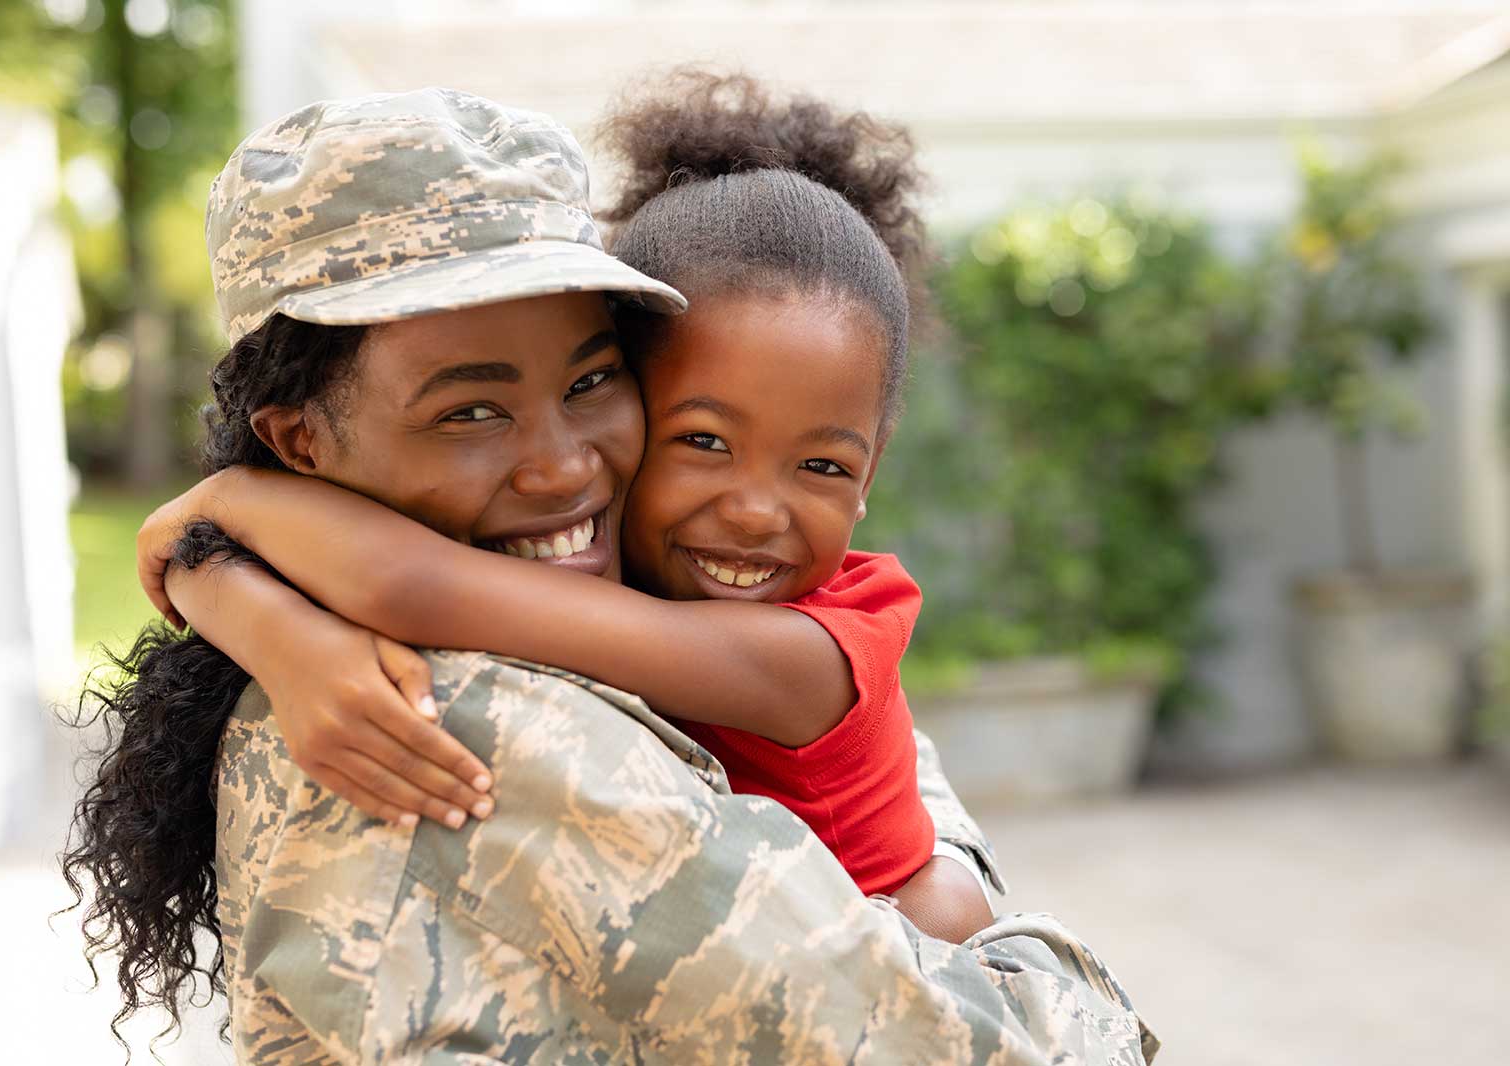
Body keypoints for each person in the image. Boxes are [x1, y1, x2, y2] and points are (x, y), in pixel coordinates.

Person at [63, 87, 1157, 1064]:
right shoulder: (470, 723)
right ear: (298, 440)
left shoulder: (636, 618)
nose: (565, 465)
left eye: (592, 380)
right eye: (471, 411)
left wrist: (228, 546)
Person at [136, 71, 989, 939]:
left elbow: (409, 584)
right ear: (296, 441)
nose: (754, 512)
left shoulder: (799, 650)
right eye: (702, 442)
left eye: (589, 382)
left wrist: (230, 511)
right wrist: (256, 611)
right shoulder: (566, 628)